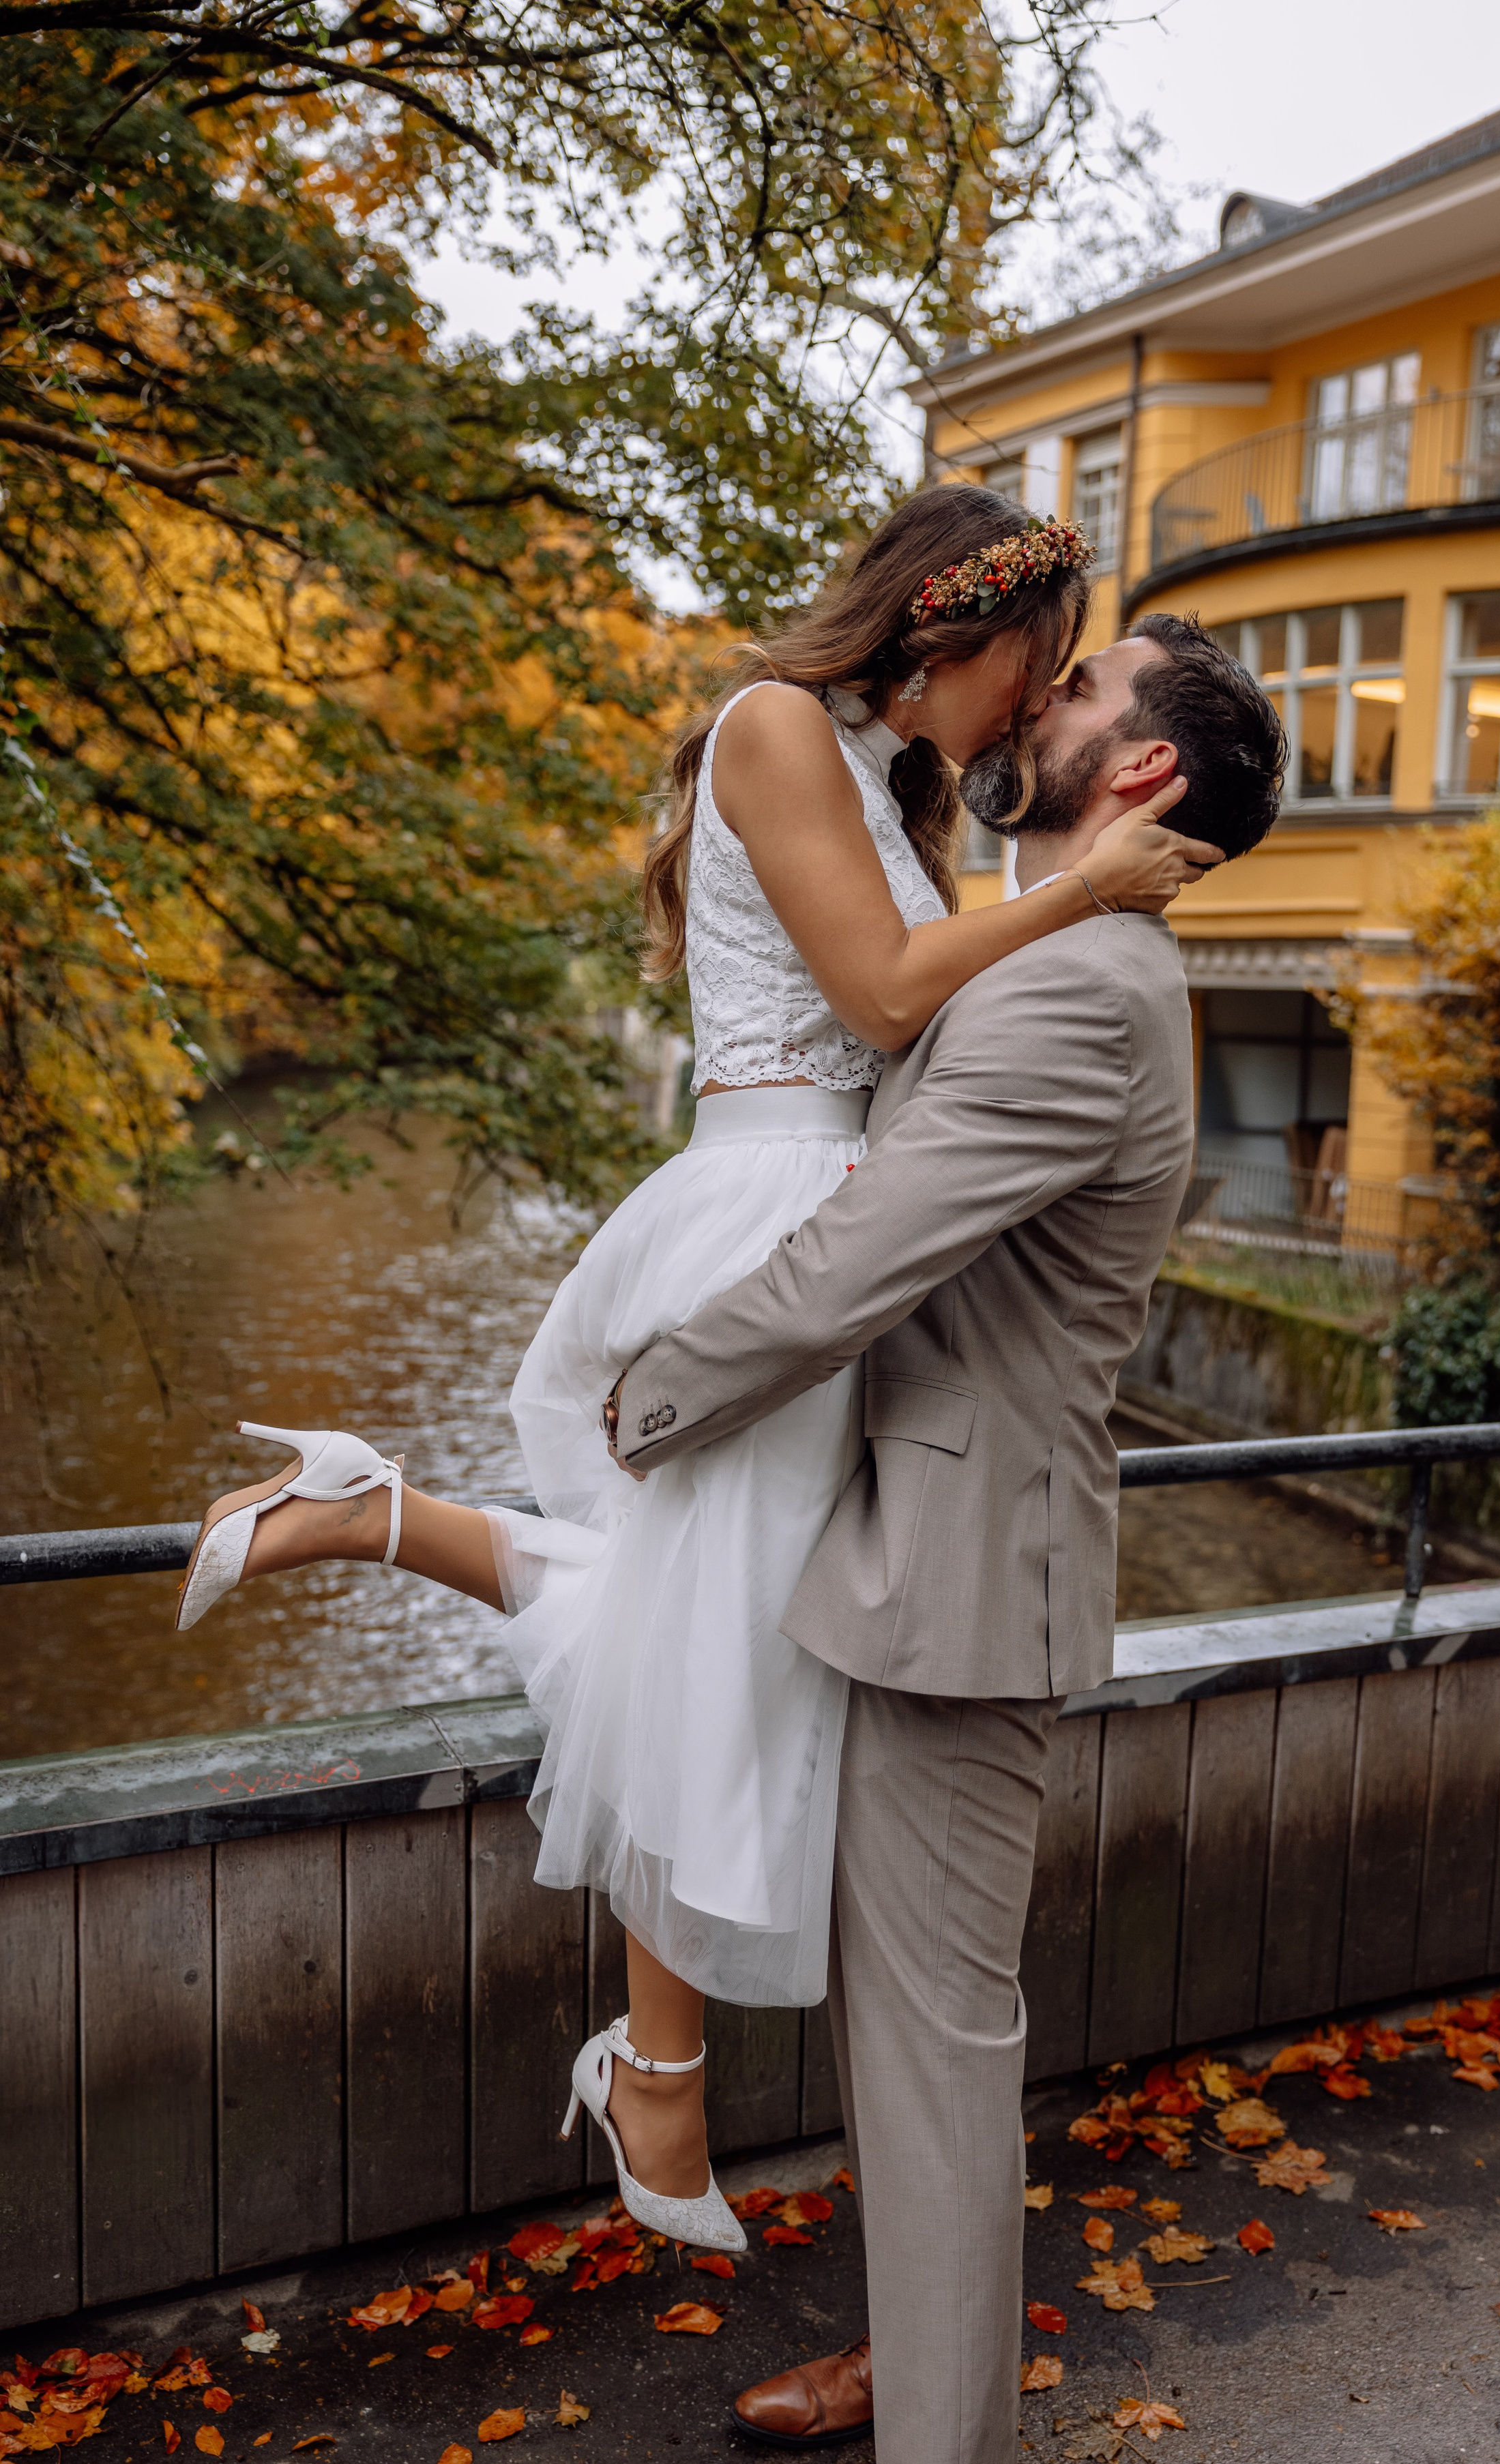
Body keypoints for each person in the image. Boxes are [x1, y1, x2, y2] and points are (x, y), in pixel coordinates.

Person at [171, 490, 1222, 2255]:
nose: (1029, 715)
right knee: (722, 1637)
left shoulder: (888, 783)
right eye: (1035, 674)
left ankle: (371, 1512)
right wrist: (1091, 893)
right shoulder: (777, 727)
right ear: (952, 633)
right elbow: (889, 999)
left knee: (712, 1616)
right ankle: (656, 2072)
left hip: (832, 1194)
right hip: (769, 1206)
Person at [604, 611, 1287, 2464]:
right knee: (922, 2046)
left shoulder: (1085, 988)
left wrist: (648, 1399)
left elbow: (867, 1256)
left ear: (1145, 772)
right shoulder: (1066, 947)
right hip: (925, 1556)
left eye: (1080, 693)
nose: (1036, 702)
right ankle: (928, 2371)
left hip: (965, 1587)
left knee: (932, 2053)